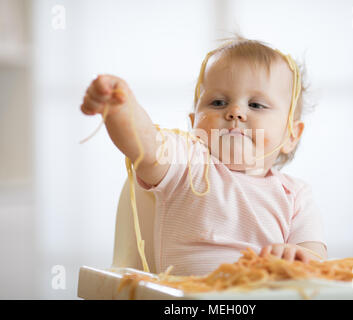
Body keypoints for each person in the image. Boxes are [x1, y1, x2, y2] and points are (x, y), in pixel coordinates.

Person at [80, 36, 328, 276]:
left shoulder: (295, 196)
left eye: (256, 105)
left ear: (291, 135)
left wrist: (294, 256)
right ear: (194, 123)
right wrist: (120, 107)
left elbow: (315, 260)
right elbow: (145, 147)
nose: (235, 112)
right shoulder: (188, 163)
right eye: (218, 102)